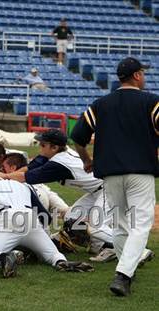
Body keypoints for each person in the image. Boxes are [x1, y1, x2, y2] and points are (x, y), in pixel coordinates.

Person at [71, 57, 158, 297]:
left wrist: (86, 160)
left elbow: (77, 136)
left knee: (119, 224)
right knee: (140, 225)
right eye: (143, 73)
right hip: (141, 172)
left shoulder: (100, 104)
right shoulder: (151, 101)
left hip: (110, 174)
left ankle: (127, 270)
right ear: (137, 75)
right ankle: (123, 275)